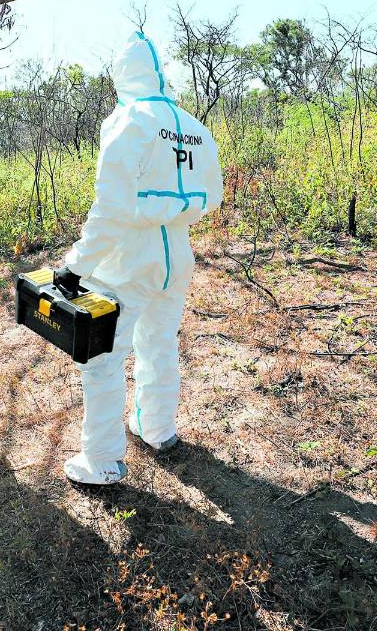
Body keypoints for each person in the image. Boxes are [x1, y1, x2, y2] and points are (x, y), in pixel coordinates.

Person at [53, 32, 224, 485]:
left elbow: (110, 208)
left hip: (129, 258)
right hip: (177, 253)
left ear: (121, 75)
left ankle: (103, 461)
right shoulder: (193, 126)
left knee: (103, 357)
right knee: (160, 342)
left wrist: (76, 266)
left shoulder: (128, 119)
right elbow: (212, 196)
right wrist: (170, 212)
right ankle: (158, 428)